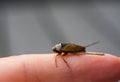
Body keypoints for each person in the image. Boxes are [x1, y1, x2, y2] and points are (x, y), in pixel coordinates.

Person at [0, 53, 120, 82]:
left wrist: (59, 63)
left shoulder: (60, 54)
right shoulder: (59, 54)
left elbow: (59, 57)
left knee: (83, 54)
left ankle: (94, 53)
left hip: (72, 49)